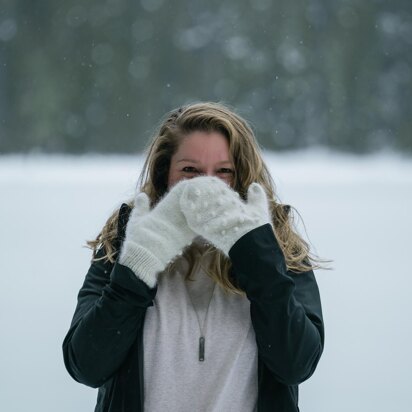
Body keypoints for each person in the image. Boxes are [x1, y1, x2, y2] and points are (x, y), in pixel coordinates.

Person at [62, 102, 325, 412]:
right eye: (190, 170)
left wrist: (257, 258)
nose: (206, 185)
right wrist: (136, 269)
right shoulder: (124, 243)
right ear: (164, 175)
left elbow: (296, 364)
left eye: (223, 172)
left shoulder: (278, 246)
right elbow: (86, 366)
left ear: (242, 177)